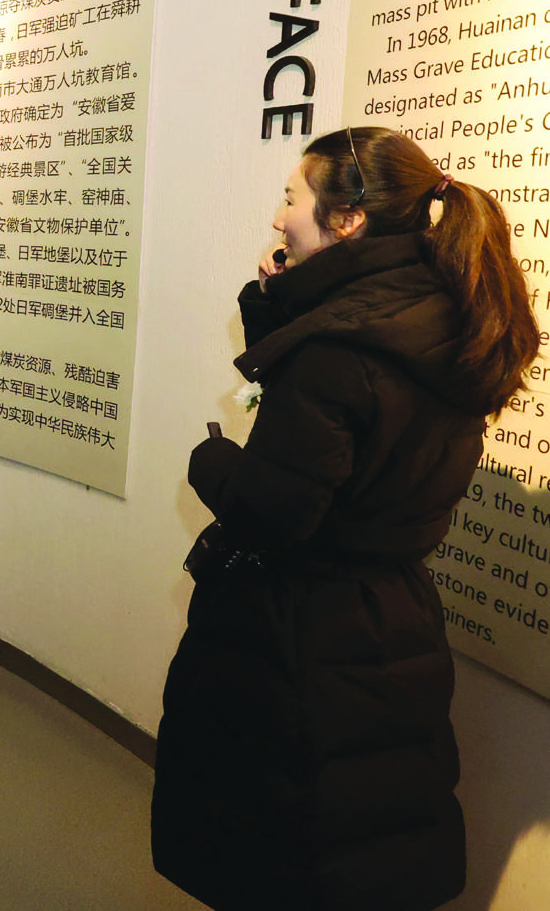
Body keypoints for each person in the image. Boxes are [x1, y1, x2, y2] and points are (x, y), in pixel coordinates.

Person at [152, 127, 541, 911]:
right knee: (362, 830)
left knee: (284, 839)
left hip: (301, 629)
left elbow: (274, 510)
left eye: (291, 197)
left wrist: (211, 461)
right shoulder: (447, 316)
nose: (278, 217)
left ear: (349, 217)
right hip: (393, 616)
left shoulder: (338, 347)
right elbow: (346, 441)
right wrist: (278, 306)